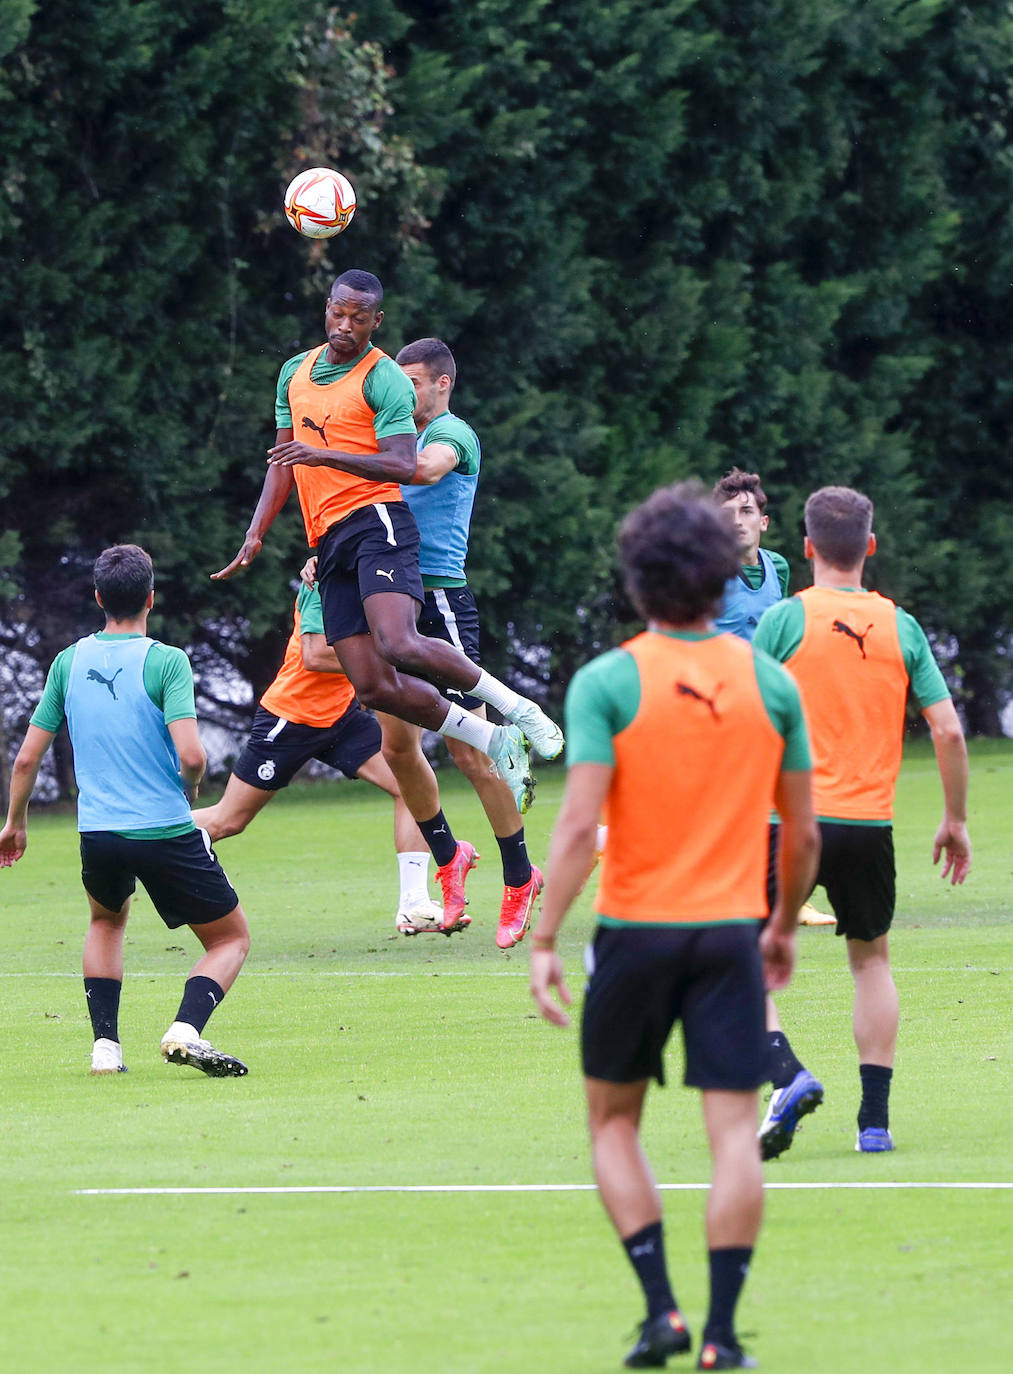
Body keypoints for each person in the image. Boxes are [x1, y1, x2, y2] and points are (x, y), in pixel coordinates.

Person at [529, 484, 819, 1371]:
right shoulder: (769, 682)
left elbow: (578, 830)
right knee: (733, 1136)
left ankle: (662, 1313)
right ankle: (723, 1336)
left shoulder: (607, 680)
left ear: (636, 578)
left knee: (613, 1125)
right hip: (730, 931)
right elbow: (801, 833)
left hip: (634, 932)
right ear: (723, 573)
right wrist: (779, 926)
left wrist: (543, 938)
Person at [211, 270, 563, 820]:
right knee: (374, 688)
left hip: (378, 525)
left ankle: (518, 711)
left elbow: (406, 466)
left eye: (359, 317)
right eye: (338, 313)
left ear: (377, 322)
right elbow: (283, 462)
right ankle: (492, 741)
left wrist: (325, 456)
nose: (345, 326)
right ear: (326, 308)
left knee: (398, 646)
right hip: (329, 539)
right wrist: (256, 531)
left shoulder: (387, 382)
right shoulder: (292, 373)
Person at [753, 486, 971, 1155]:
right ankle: (873, 1123)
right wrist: (954, 821)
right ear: (869, 548)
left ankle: (784, 1075)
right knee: (870, 961)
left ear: (808, 547)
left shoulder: (785, 620)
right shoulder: (901, 627)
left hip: (788, 822)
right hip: (868, 827)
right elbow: (947, 732)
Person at [0, 545, 249, 1077]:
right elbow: (193, 754)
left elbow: (26, 758)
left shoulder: (68, 662)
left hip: (99, 831)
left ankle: (105, 1051)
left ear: (97, 598)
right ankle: (184, 1029)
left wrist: (15, 823)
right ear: (151, 599)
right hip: (161, 827)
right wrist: (189, 789)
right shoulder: (166, 661)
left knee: (106, 923)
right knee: (230, 938)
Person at [377, 336, 544, 949]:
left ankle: (521, 876)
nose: (403, 392)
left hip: (440, 601)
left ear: (442, 383)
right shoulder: (389, 434)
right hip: (387, 599)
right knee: (398, 750)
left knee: (470, 753)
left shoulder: (453, 432)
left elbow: (424, 470)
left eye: (413, 381)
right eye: (398, 381)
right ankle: (449, 859)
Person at [192, 578, 461, 935]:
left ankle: (413, 905)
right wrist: (389, 659)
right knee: (228, 821)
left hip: (339, 716)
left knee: (410, 786)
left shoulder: (376, 583)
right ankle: (147, 836)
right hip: (290, 717)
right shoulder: (321, 582)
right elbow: (315, 654)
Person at [712, 469, 790, 641]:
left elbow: (779, 635)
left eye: (746, 511)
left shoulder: (778, 567)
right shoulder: (706, 569)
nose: (737, 521)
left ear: (764, 522)